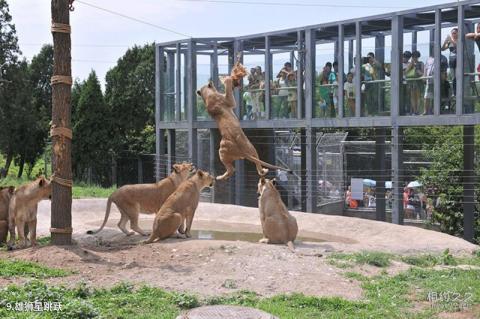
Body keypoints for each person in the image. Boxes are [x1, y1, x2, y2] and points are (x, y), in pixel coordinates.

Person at [405, 50, 424, 115]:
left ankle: (417, 110)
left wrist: (416, 69)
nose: (415, 58)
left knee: (418, 96)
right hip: (411, 83)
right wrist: (411, 65)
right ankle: (414, 110)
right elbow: (406, 72)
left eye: (416, 57)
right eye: (413, 57)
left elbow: (422, 73)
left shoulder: (421, 63)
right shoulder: (409, 64)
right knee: (412, 97)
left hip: (418, 82)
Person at [442, 27, 458, 94]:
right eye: (452, 33)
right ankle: (454, 92)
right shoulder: (450, 42)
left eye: (454, 33)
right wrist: (446, 41)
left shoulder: (458, 40)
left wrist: (450, 40)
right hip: (451, 61)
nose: (453, 35)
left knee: (457, 77)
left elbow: (456, 45)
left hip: (458, 60)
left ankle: (457, 91)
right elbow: (442, 49)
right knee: (453, 77)